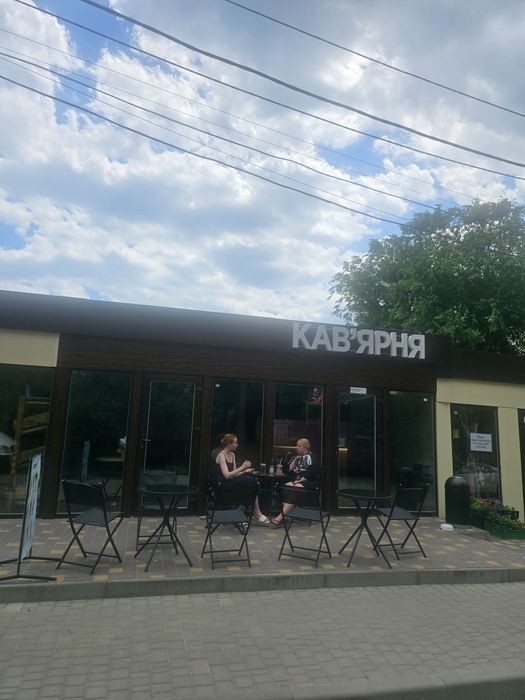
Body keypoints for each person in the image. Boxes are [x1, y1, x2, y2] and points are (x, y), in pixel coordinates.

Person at [212, 433, 270, 525]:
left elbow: (235, 474)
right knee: (251, 482)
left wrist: (245, 471)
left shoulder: (232, 455)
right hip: (222, 484)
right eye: (235, 443)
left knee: (252, 481)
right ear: (229, 444)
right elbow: (227, 475)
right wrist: (243, 467)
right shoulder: (221, 455)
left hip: (230, 481)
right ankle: (252, 512)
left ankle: (242, 512)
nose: (237, 445)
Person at [271, 438, 321, 526]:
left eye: (299, 446)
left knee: (294, 488)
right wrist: (295, 460)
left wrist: (302, 479)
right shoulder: (298, 458)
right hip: (298, 481)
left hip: (310, 482)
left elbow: (313, 472)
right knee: (287, 485)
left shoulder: (312, 457)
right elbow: (289, 471)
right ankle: (286, 513)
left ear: (305, 447)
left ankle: (280, 517)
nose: (296, 448)